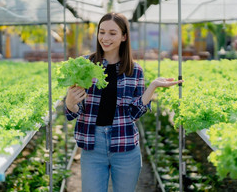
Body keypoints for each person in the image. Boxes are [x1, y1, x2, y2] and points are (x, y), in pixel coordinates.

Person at [65, 12, 183, 192]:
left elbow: (134, 114)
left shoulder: (134, 70)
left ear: (124, 36)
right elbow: (75, 110)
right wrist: (69, 103)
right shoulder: (84, 64)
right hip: (92, 145)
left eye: (112, 33)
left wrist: (152, 87)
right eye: (102, 32)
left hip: (125, 145)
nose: (105, 38)